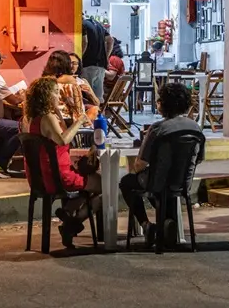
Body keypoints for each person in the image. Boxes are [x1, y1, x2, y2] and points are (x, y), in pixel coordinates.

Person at [119, 82, 205, 245]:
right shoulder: (195, 128)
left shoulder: (158, 128)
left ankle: (146, 225)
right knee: (163, 188)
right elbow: (199, 158)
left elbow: (140, 164)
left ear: (164, 104)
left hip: (157, 181)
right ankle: (166, 223)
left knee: (127, 182)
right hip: (182, 182)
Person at [22, 76, 101, 248]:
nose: (59, 95)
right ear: (45, 95)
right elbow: (63, 140)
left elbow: (60, 135)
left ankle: (67, 214)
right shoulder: (47, 118)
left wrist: (58, 111)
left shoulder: (33, 118)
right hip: (58, 176)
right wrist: (80, 120)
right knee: (103, 186)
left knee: (88, 185)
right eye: (56, 92)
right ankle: (72, 224)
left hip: (41, 177)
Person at [81, 17, 113, 102]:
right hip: (101, 65)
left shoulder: (82, 24)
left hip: (87, 64)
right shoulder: (99, 25)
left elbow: (85, 42)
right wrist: (106, 57)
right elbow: (110, 40)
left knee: (88, 96)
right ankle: (99, 110)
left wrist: (79, 57)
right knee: (98, 97)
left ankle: (91, 111)